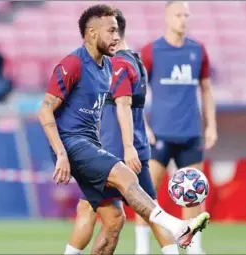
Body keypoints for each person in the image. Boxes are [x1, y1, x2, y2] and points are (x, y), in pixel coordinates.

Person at [38, 4, 210, 255]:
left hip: (90, 144)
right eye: (111, 31)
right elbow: (44, 109)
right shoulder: (73, 63)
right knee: (126, 177)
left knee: (114, 221)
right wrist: (61, 154)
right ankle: (177, 227)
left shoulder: (107, 67)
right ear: (92, 33)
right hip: (71, 143)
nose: (117, 37)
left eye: (118, 31)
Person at [64, 9, 181, 255]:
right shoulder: (136, 62)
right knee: (151, 212)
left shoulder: (115, 64)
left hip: (112, 150)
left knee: (87, 210)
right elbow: (136, 106)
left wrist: (126, 147)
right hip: (138, 148)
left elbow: (123, 105)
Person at [138, 1, 218, 254]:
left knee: (193, 195)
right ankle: (142, 248)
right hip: (158, 135)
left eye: (186, 15)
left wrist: (211, 125)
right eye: (178, 15)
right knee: (146, 196)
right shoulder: (151, 51)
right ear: (167, 17)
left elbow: (206, 89)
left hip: (190, 134)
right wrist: (143, 127)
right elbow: (135, 93)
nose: (183, 19)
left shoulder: (198, 51)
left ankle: (194, 247)